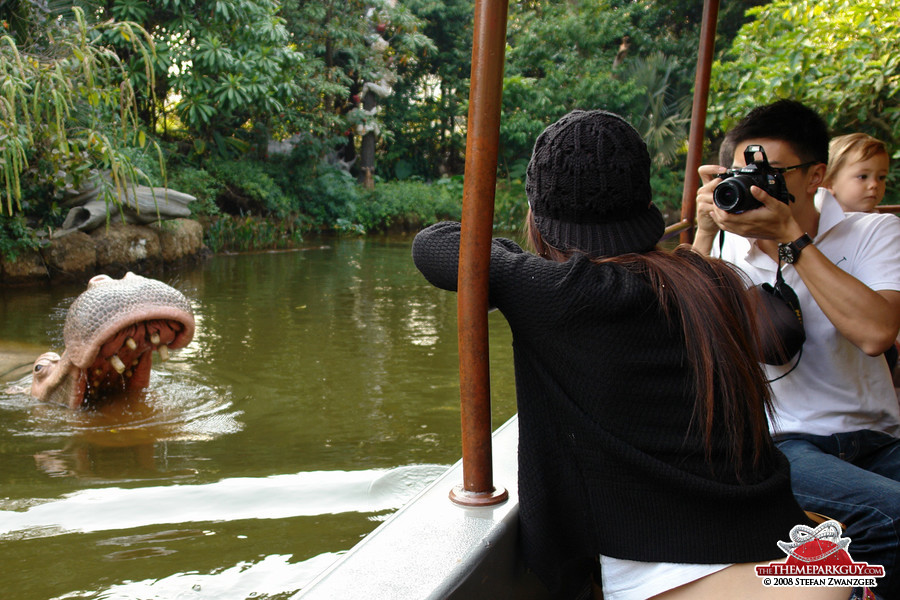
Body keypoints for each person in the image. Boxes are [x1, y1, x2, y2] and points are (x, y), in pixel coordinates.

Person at [413, 109, 847, 599]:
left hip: (681, 573)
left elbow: (434, 245)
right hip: (796, 555)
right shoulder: (714, 279)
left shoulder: (561, 292)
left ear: (541, 215)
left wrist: (518, 265)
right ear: (645, 205)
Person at [693, 99, 900, 600]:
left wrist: (793, 239)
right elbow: (679, 332)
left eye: (771, 173)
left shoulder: (874, 232)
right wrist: (703, 230)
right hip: (782, 443)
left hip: (878, 438)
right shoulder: (726, 247)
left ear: (816, 176)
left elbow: (876, 334)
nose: (755, 187)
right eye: (743, 175)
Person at [824, 133, 891, 213]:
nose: (874, 184)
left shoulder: (883, 222)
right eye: (862, 177)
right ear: (829, 184)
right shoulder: (813, 221)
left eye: (881, 177)